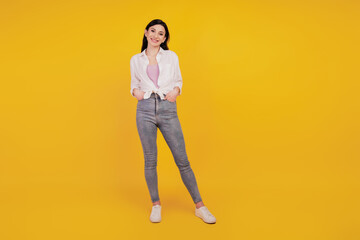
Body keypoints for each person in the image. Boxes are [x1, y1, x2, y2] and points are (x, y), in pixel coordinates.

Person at [130, 19, 216, 224]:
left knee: (183, 161)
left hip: (168, 110)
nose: (156, 36)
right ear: (145, 32)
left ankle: (200, 207)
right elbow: (133, 85)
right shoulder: (136, 59)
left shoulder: (171, 57)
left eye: (161, 33)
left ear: (165, 38)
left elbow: (178, 81)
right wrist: (137, 93)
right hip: (145, 111)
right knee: (150, 160)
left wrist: (176, 92)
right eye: (153, 31)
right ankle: (156, 205)